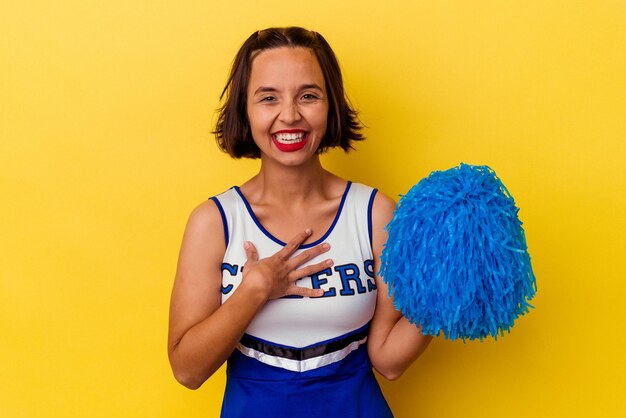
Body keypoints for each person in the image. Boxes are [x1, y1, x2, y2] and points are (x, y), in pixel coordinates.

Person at [167, 26, 432, 417]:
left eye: (308, 96)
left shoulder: (374, 214)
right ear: (245, 108)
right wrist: (253, 290)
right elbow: (187, 370)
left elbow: (389, 361)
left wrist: (449, 294)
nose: (289, 115)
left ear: (331, 105)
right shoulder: (215, 221)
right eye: (268, 97)